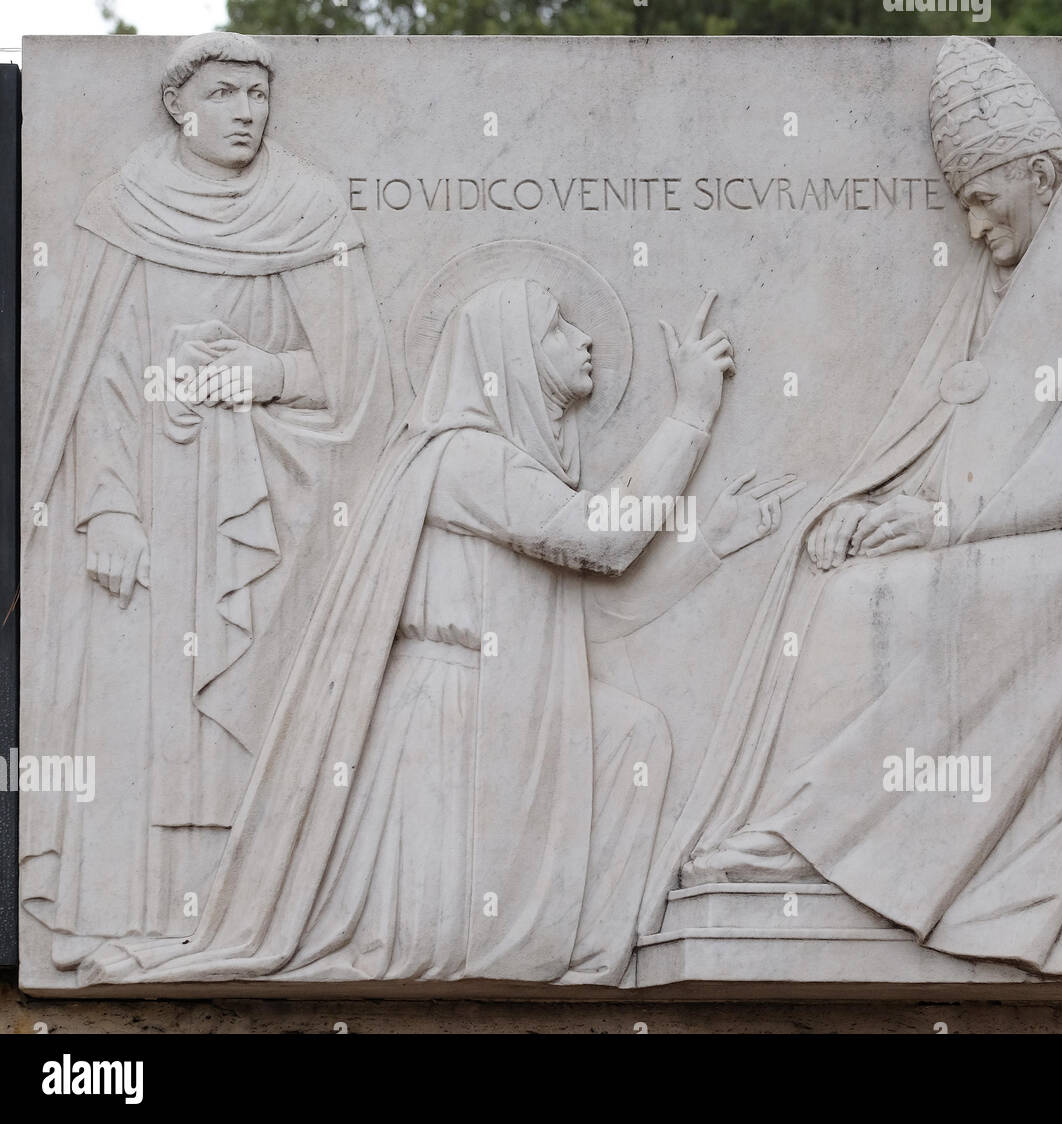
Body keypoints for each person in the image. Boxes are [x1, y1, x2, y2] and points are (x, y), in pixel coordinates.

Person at [643, 37, 1062, 976]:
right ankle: (808, 834)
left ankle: (819, 845)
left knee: (897, 602)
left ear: (1043, 174)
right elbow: (976, 444)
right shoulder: (1024, 272)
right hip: (1019, 539)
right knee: (845, 577)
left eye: (979, 197)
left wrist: (940, 525)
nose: (970, 226)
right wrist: (884, 503)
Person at [78, 272, 796, 986]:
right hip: (453, 719)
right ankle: (528, 946)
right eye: (555, 327)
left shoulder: (507, 467)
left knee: (634, 731)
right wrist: (691, 414)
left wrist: (712, 547)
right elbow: (599, 538)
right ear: (508, 357)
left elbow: (586, 621)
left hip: (506, 696)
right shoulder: (462, 454)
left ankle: (586, 957)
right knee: (627, 738)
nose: (583, 340)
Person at [21, 32, 402, 968]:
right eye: (226, 93)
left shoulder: (309, 208)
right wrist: (106, 509)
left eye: (259, 95)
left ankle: (233, 924)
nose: (247, 112)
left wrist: (262, 372)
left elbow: (364, 384)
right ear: (178, 103)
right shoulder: (121, 211)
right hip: (148, 504)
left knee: (242, 713)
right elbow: (95, 380)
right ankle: (113, 925)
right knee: (134, 706)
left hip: (265, 511)